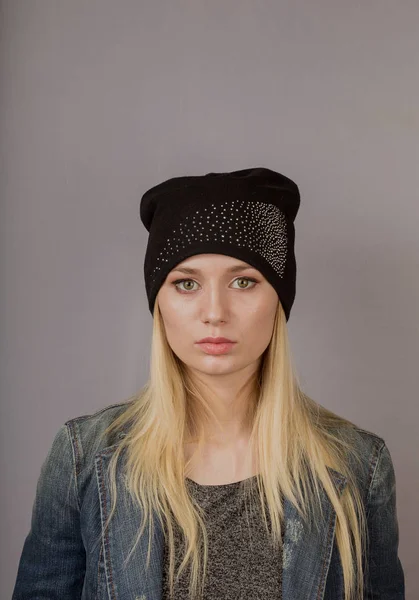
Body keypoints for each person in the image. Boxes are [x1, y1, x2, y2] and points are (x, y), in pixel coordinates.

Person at [12, 167, 405, 600]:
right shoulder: (82, 457)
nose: (215, 311)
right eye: (186, 283)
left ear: (278, 299)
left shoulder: (356, 465)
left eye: (243, 281)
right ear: (158, 302)